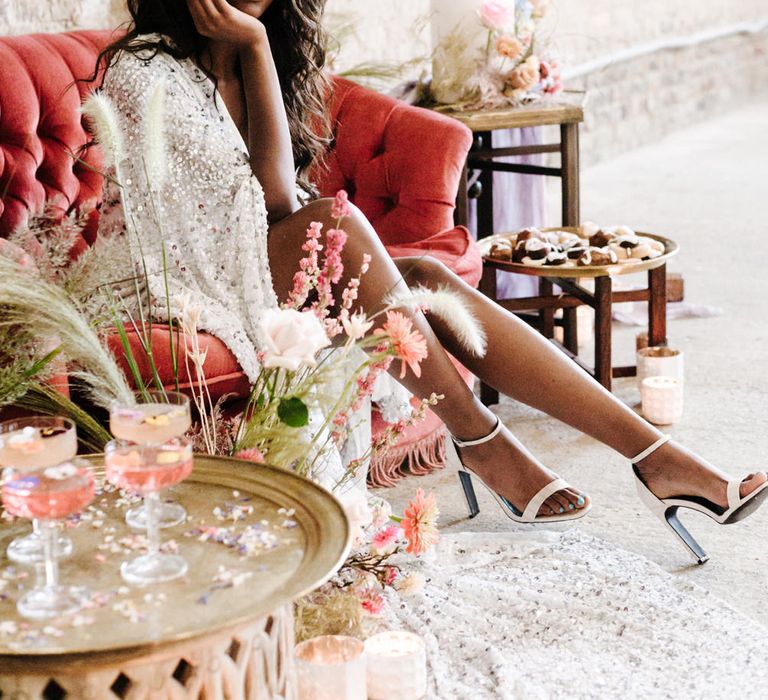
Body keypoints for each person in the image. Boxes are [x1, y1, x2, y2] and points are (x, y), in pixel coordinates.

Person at [92, 0, 766, 559]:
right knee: (334, 225)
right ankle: (483, 439)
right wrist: (255, 43)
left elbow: (277, 206)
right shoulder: (143, 69)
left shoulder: (256, 53)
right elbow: (266, 205)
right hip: (177, 276)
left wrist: (258, 48)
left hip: (255, 253)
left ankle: (656, 453)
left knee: (422, 277)